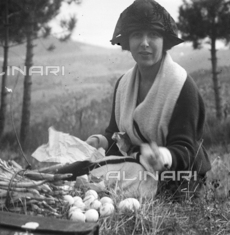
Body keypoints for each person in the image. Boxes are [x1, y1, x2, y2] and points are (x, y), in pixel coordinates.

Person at [86, 0, 211, 199]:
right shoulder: (123, 84)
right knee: (89, 173)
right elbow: (116, 137)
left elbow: (186, 149)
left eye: (153, 35)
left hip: (178, 175)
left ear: (164, 41)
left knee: (103, 183)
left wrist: (162, 157)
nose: (144, 43)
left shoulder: (181, 85)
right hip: (137, 166)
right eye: (137, 35)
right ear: (128, 41)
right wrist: (99, 141)